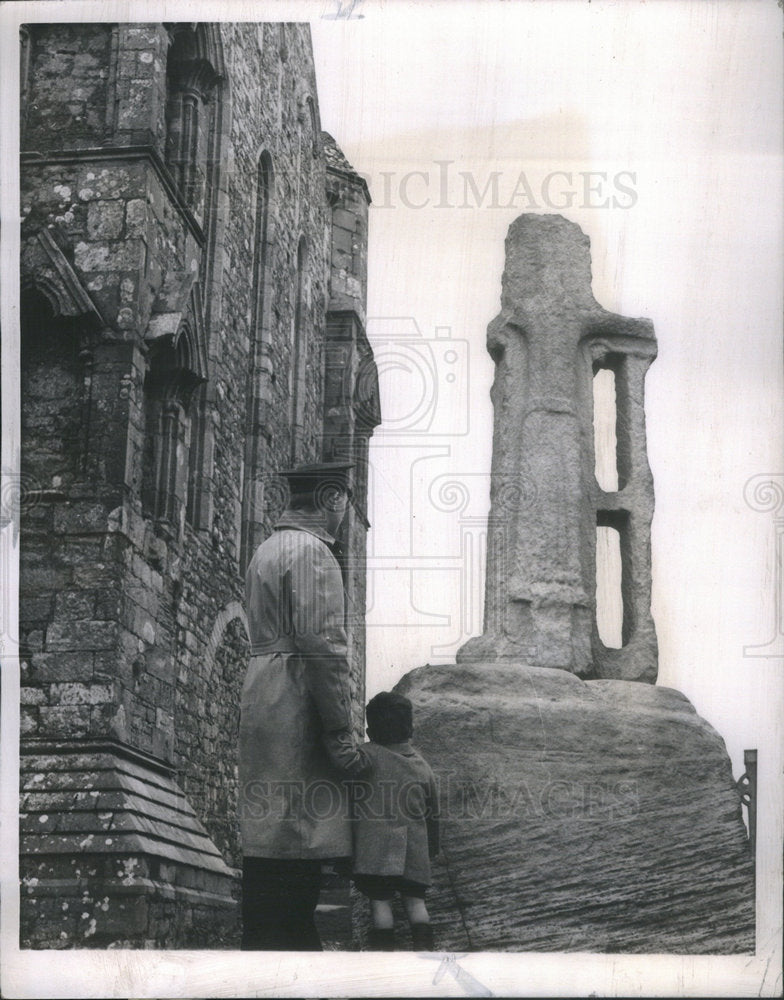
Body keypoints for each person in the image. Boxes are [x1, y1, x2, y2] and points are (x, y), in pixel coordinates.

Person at [239, 461, 368, 951]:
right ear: (332, 499)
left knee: (268, 830)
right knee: (299, 838)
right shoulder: (313, 552)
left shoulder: (266, 549)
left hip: (263, 690)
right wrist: (339, 731)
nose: (345, 513)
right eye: (345, 501)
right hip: (297, 697)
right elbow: (324, 648)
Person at [352, 691, 439, 951]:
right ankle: (425, 955)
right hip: (414, 850)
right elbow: (433, 814)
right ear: (410, 728)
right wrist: (432, 848)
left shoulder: (366, 757)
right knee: (416, 903)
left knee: (380, 902)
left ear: (371, 730)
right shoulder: (422, 766)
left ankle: (385, 960)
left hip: (375, 851)